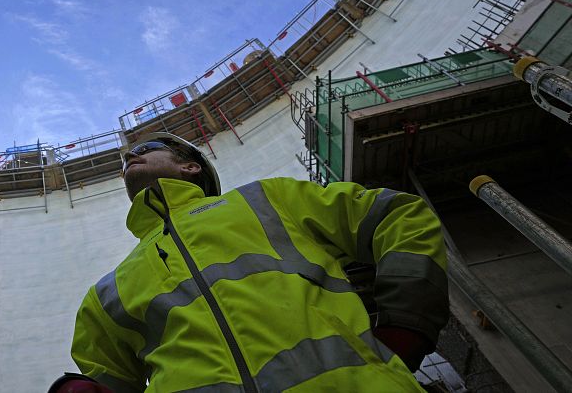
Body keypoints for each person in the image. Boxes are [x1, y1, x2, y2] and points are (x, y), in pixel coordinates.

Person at [64, 132, 448, 392]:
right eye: (130, 155)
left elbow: (396, 217)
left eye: (146, 147)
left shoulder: (266, 200)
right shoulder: (106, 293)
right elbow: (106, 377)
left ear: (190, 167)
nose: (131, 155)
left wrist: (407, 325)